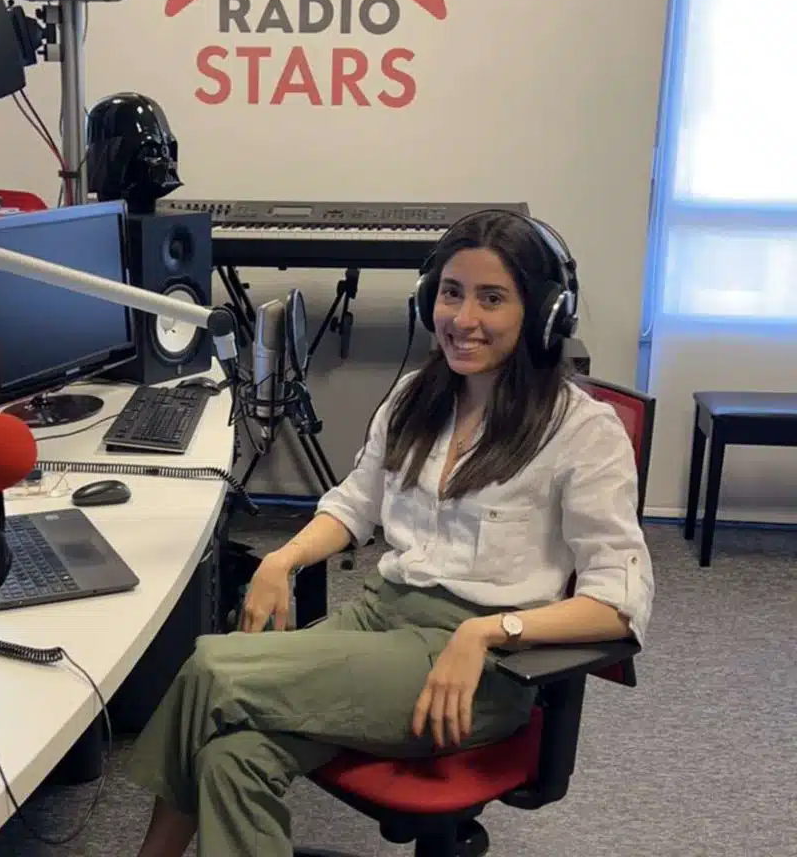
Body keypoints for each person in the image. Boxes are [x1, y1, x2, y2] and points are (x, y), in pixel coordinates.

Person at [128, 209, 655, 857]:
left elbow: (618, 604)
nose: (463, 318)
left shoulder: (583, 432)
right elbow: (356, 504)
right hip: (379, 622)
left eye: (492, 298)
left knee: (213, 666)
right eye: (452, 293)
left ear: (543, 314)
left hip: (478, 667)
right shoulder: (415, 398)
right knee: (232, 757)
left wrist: (488, 632)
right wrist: (281, 560)